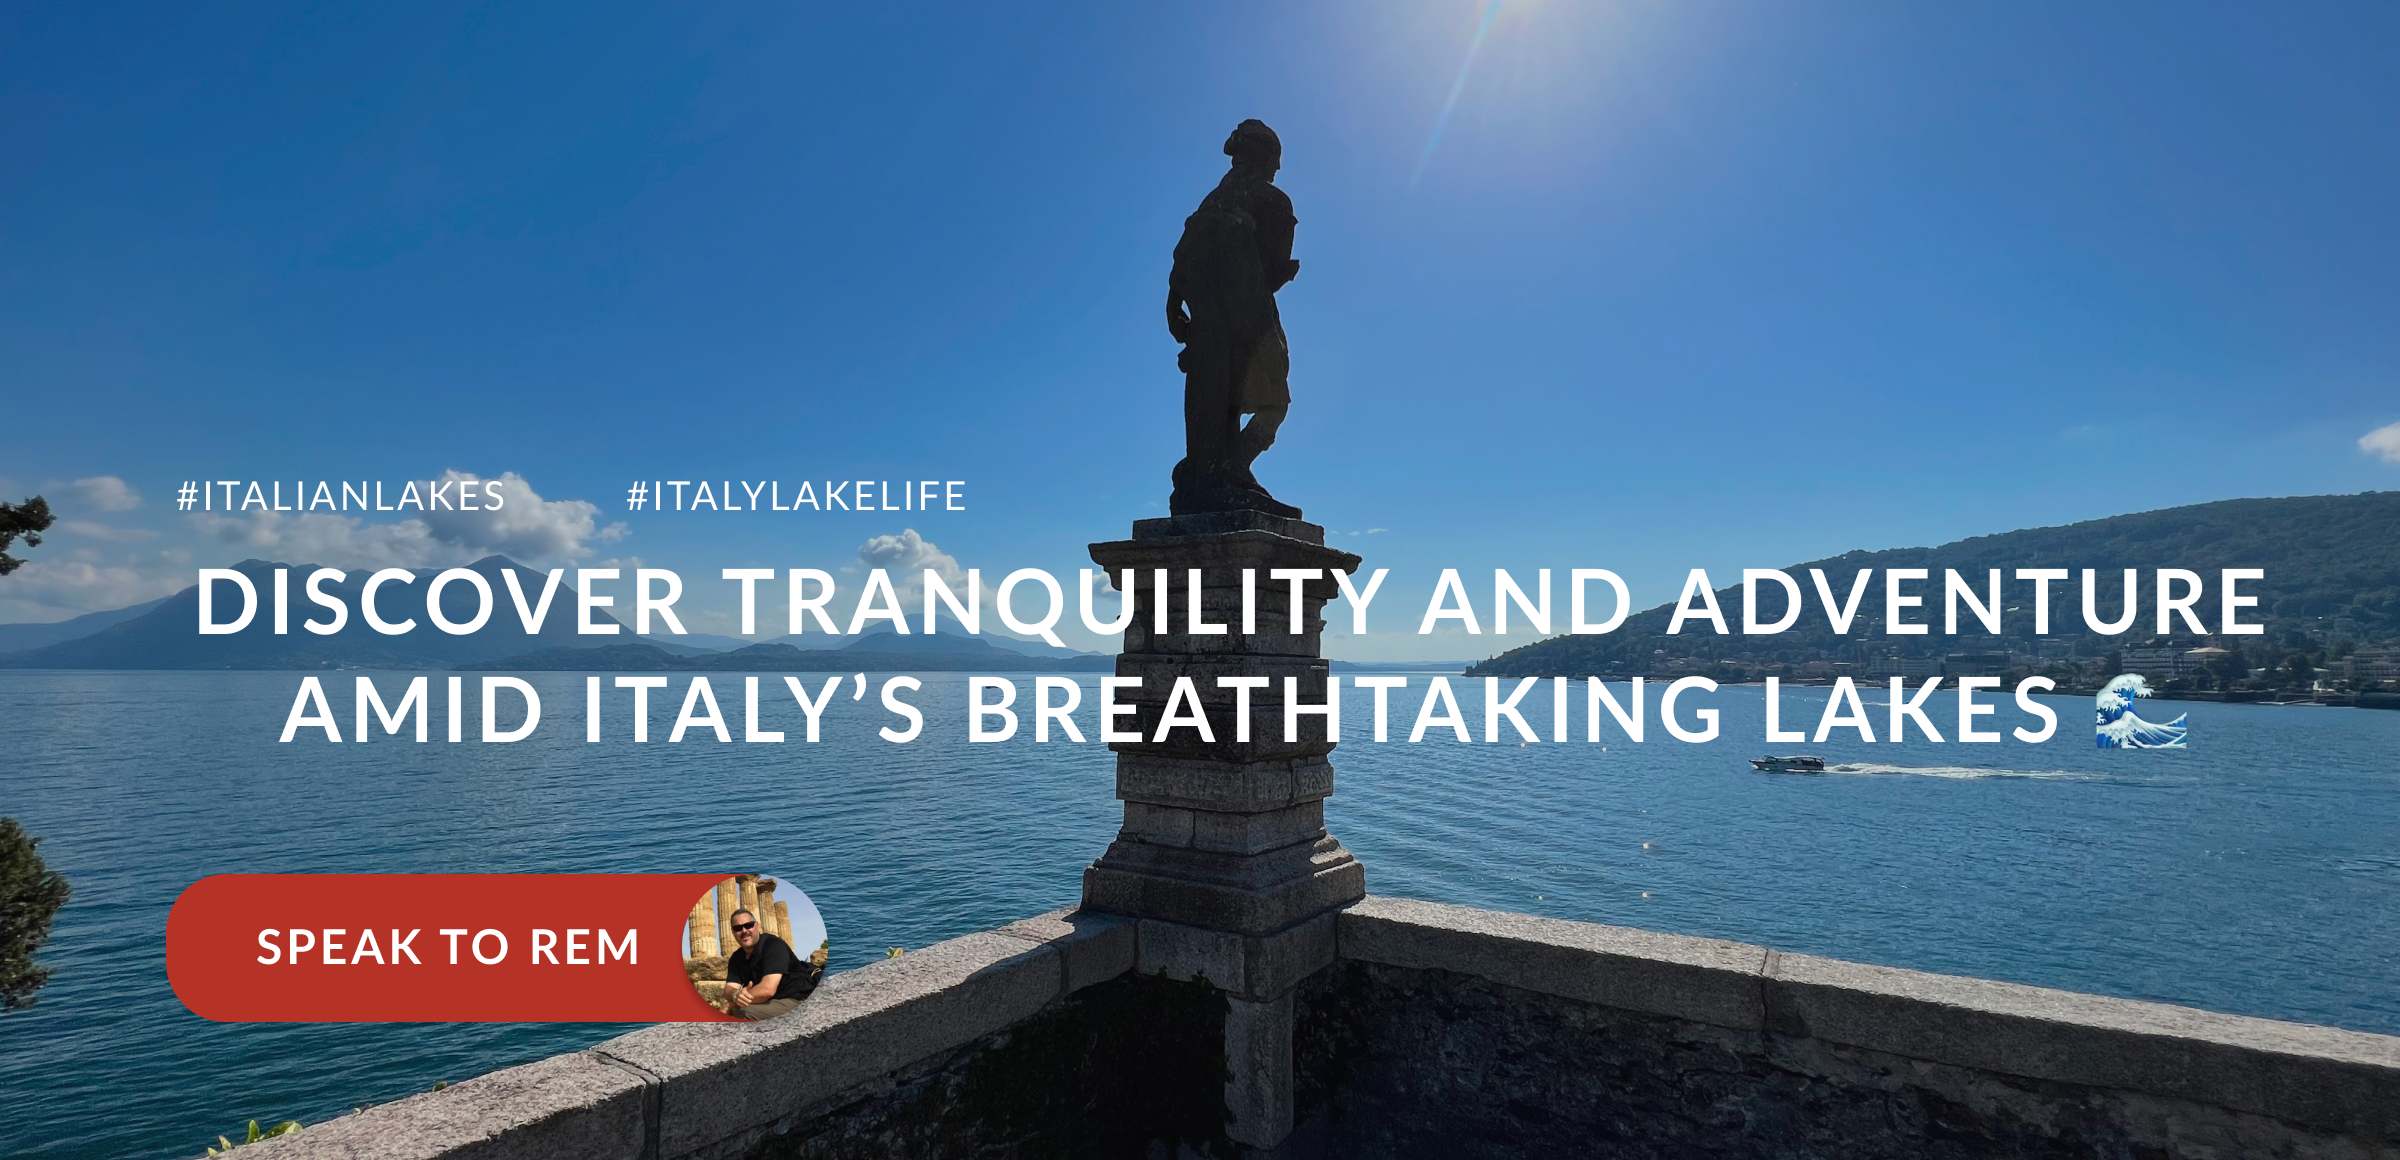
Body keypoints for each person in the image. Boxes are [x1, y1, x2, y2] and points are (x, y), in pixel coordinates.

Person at [1166, 118, 1302, 518]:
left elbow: (1182, 261)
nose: (1277, 170)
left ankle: (1211, 475)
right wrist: (1282, 274)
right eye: (1275, 160)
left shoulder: (1211, 203)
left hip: (1207, 320)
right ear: (1266, 159)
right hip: (1250, 317)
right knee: (1275, 402)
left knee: (1216, 400)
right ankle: (1234, 467)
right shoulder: (1274, 203)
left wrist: (1174, 307)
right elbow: (1269, 269)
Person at [721, 907, 812, 1020]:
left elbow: (767, 990)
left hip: (796, 998)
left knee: (743, 1012)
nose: (744, 931)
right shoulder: (736, 957)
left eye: (748, 925)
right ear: (733, 932)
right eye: (738, 928)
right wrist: (735, 994)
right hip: (772, 1001)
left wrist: (732, 1003)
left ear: (757, 926)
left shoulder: (774, 945)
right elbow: (729, 988)